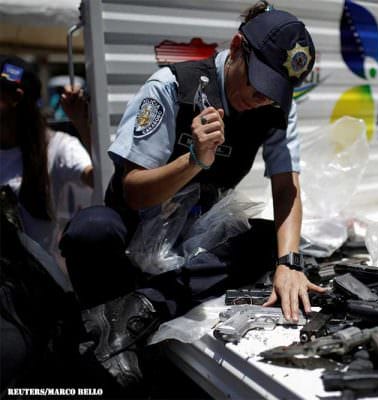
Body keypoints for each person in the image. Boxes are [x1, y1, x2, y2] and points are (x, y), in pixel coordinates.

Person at [59, 1, 327, 385]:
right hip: (137, 234)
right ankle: (109, 333)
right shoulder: (171, 87)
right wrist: (194, 161)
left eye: (274, 91)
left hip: (193, 241)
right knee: (91, 229)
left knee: (274, 240)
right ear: (236, 48)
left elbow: (286, 188)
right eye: (258, 84)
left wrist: (289, 265)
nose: (261, 99)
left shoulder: (273, 107)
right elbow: (133, 191)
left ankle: (141, 307)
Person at [0, 55, 93, 270]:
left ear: (16, 98)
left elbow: (99, 178)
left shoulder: (57, 146)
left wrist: (81, 123)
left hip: (37, 281)